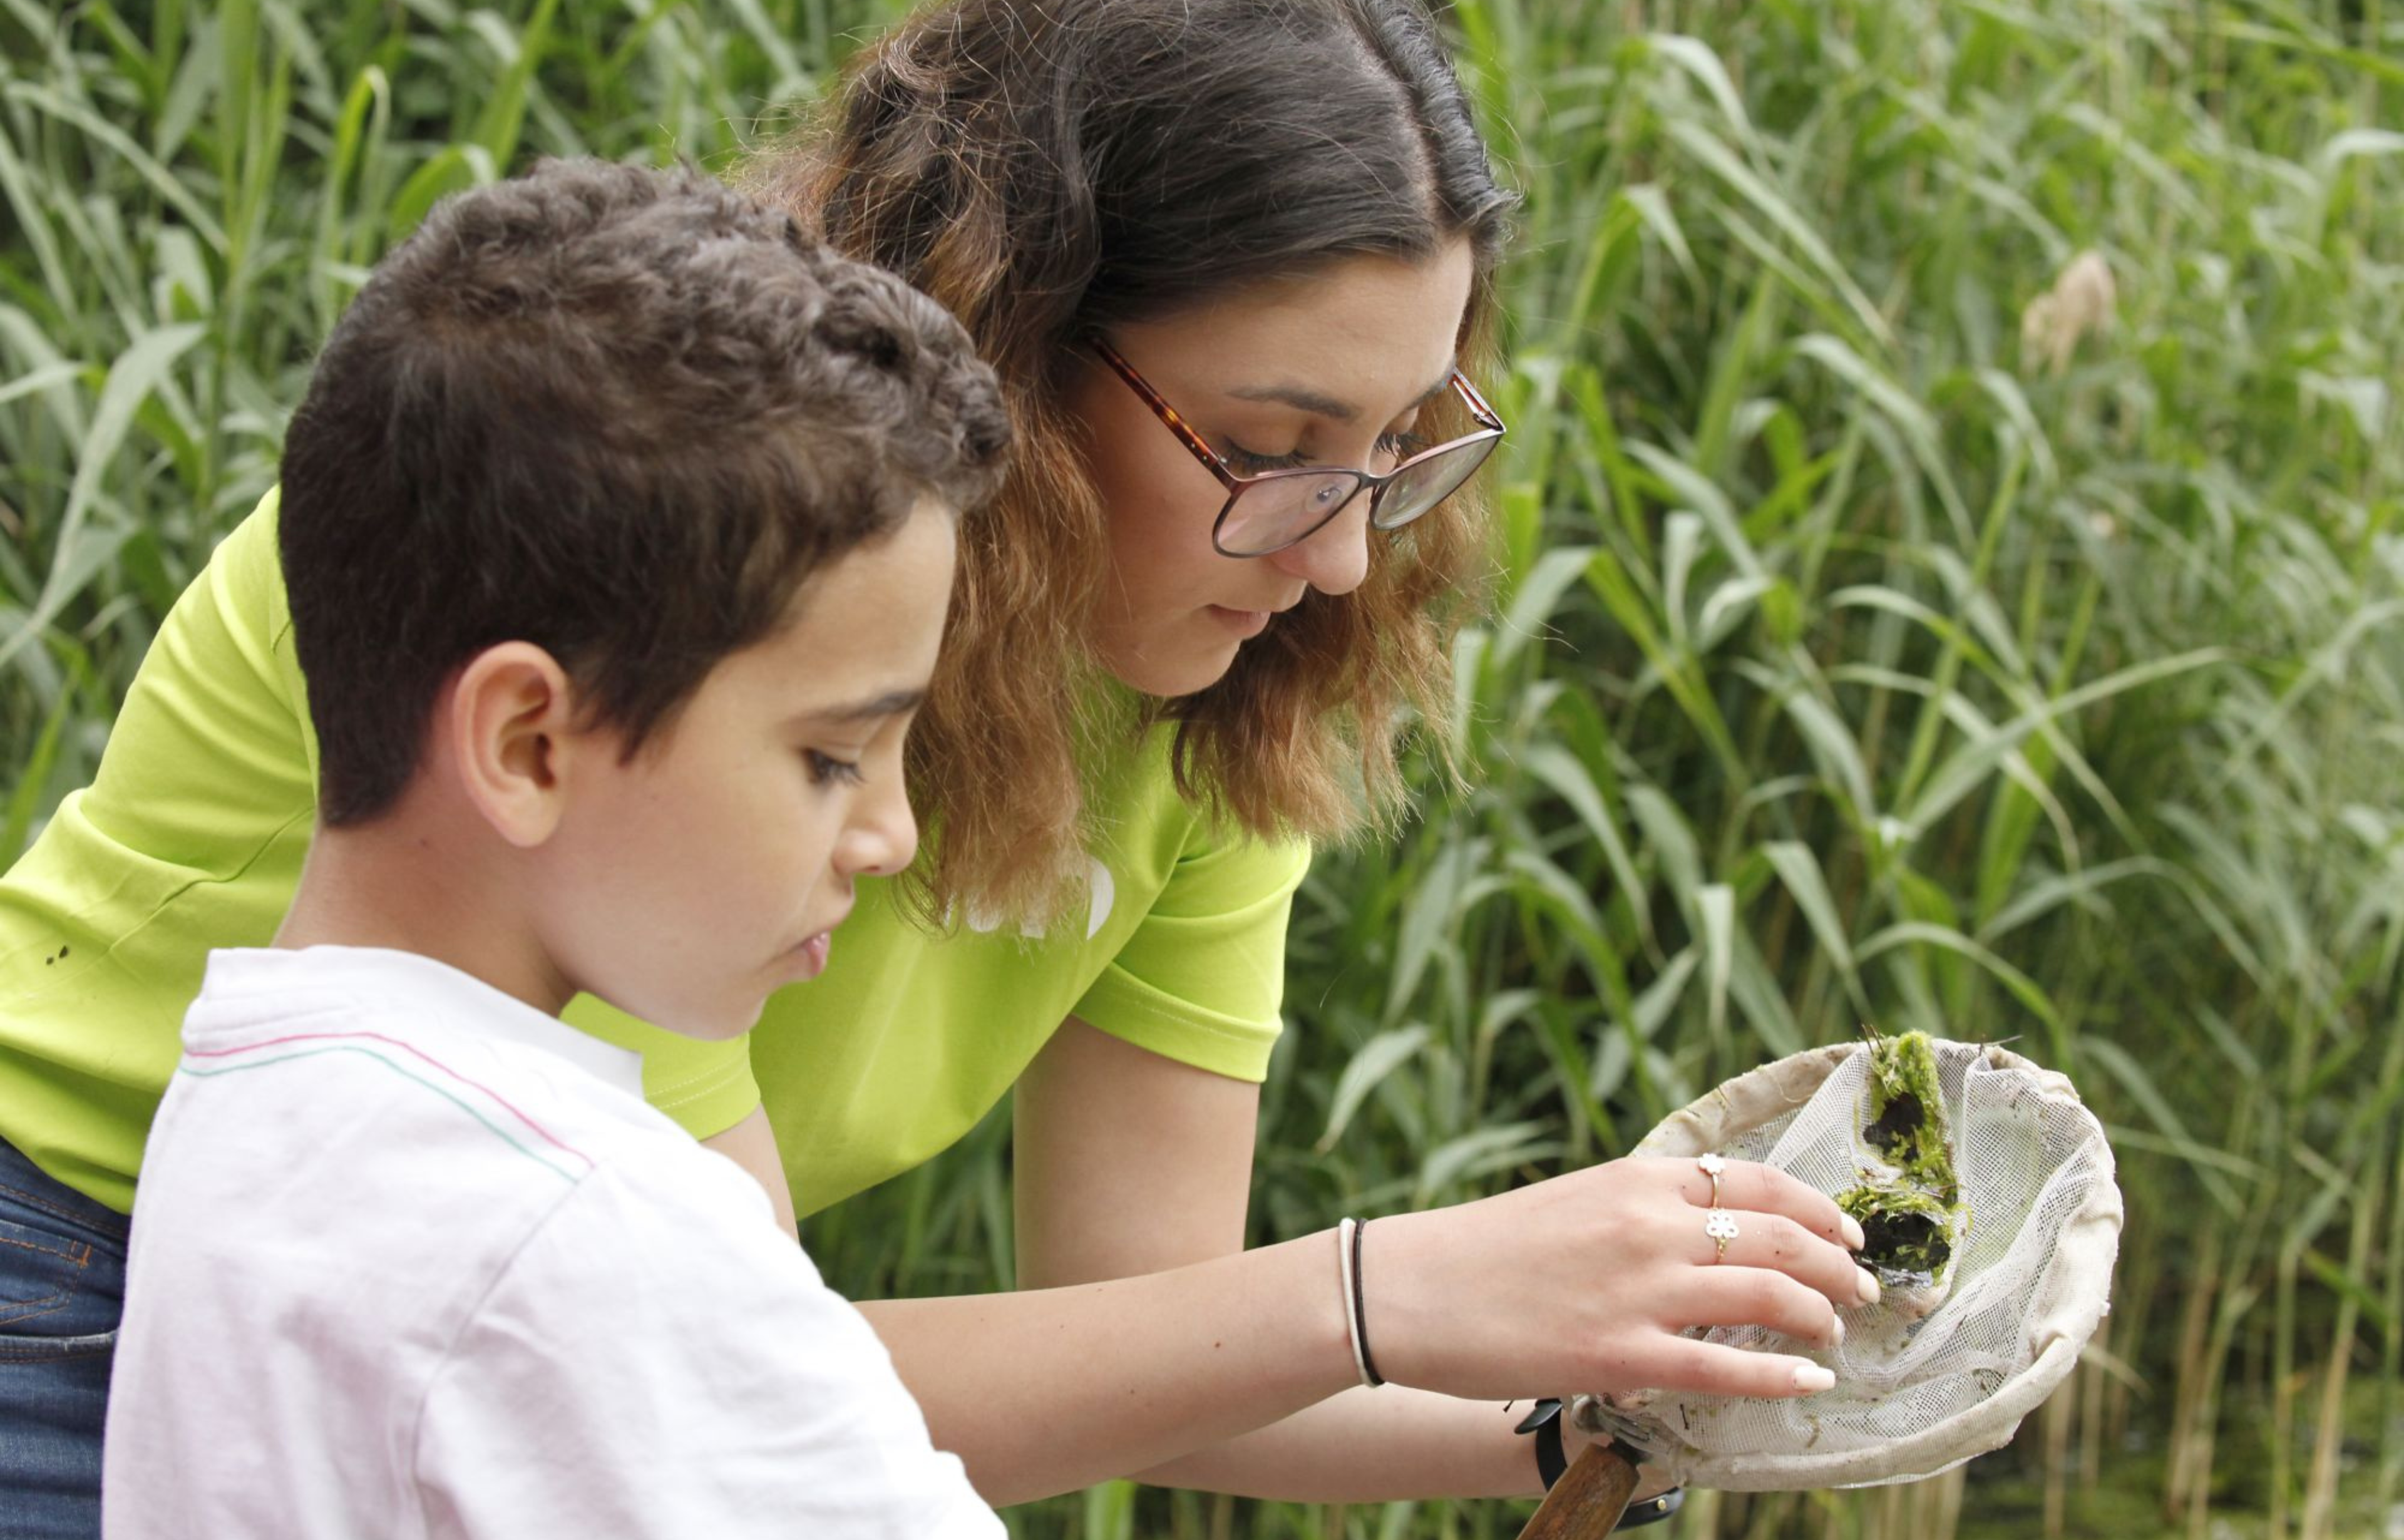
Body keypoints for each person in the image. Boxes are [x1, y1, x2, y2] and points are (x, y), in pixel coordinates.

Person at [0, 1, 1876, 1528]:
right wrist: (1384, 1284)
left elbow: (1147, 1329)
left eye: (1402, 443)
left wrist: (1604, 1406)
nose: (1345, 556)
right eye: (1272, 441)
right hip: (90, 1281)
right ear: (1007, 336)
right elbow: (723, 1375)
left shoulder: (1219, 658)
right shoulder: (624, 572)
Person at [96, 158, 1010, 1537]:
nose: (891, 834)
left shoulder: (249, 1111)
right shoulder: (590, 1228)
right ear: (527, 743)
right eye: (832, 757)